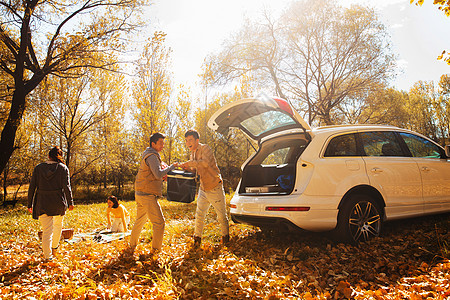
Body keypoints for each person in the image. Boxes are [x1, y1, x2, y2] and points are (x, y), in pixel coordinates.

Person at [180, 130, 230, 248]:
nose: (188, 143)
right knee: (199, 215)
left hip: (214, 187)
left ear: (197, 140)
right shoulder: (192, 154)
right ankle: (197, 241)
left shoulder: (205, 148)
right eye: (186, 140)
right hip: (203, 189)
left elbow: (205, 163)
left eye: (190, 140)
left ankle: (226, 240)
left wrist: (190, 163)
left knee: (221, 216)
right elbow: (195, 169)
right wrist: (185, 168)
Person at [129, 132, 177, 254]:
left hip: (140, 192)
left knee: (140, 220)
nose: (162, 146)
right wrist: (171, 167)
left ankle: (132, 246)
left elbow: (155, 173)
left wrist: (163, 173)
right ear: (153, 143)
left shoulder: (149, 154)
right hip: (147, 194)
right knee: (159, 223)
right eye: (160, 143)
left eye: (163, 143)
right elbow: (158, 174)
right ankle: (155, 251)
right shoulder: (152, 156)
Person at [28, 146, 74, 260]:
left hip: (42, 202)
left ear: (48, 156)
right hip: (58, 202)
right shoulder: (63, 168)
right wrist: (70, 202)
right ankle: (54, 249)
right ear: (59, 157)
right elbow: (67, 187)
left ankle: (48, 257)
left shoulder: (38, 168)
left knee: (47, 231)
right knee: (58, 226)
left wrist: (30, 204)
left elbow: (32, 187)